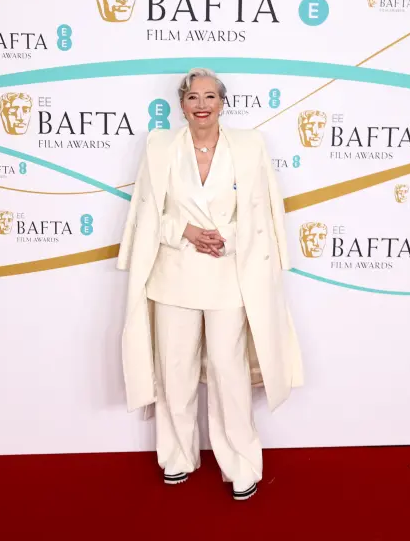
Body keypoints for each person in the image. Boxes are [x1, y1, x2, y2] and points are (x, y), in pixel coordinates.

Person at [116, 68, 304, 501]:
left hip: (230, 275)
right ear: (181, 105)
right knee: (176, 371)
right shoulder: (159, 147)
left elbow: (260, 212)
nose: (201, 105)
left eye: (210, 97)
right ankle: (178, 456)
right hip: (174, 276)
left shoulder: (250, 145)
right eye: (192, 97)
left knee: (228, 371)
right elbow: (148, 213)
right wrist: (184, 230)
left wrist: (228, 238)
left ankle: (241, 463)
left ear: (223, 103)